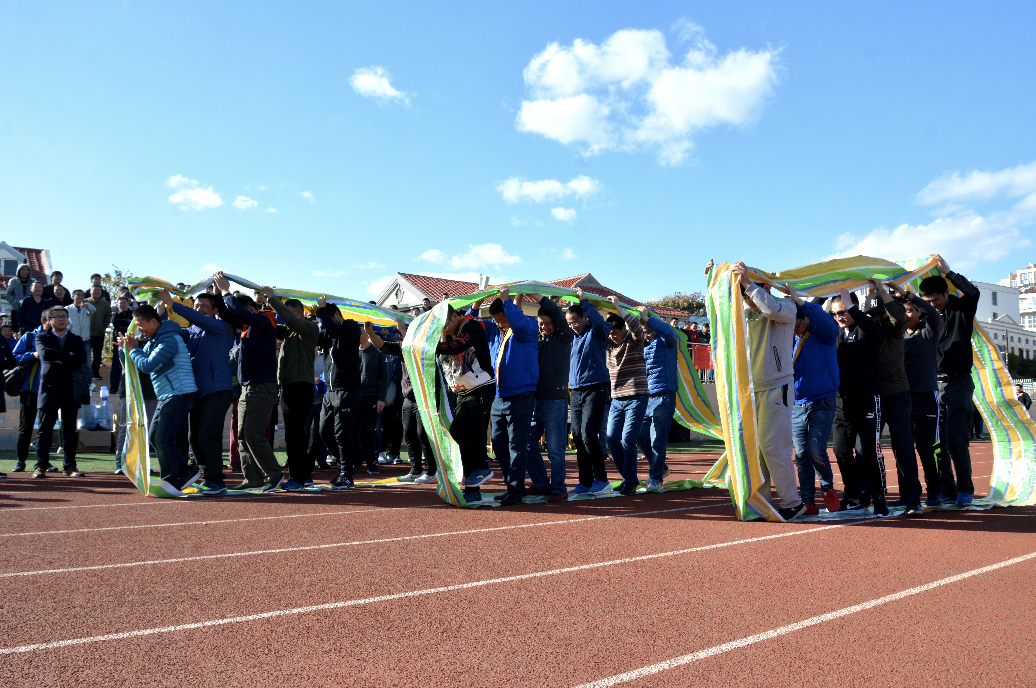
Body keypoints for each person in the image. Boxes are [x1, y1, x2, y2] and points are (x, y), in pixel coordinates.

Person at [722, 260, 807, 521]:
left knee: (774, 447)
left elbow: (770, 309)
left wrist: (748, 283)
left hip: (777, 385)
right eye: (743, 294)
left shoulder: (786, 307)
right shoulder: (744, 312)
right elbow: (722, 311)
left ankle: (793, 503)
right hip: (750, 389)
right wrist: (714, 282)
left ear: (765, 288)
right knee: (755, 449)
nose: (746, 299)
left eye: (748, 293)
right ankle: (763, 504)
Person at [156, 289, 234, 495]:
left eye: (204, 306)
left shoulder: (220, 326)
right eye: (197, 306)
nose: (199, 309)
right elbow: (169, 330)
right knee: (194, 438)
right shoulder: (191, 332)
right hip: (198, 391)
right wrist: (160, 313)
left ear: (215, 311)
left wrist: (173, 304)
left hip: (218, 390)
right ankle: (207, 478)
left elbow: (197, 318)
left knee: (205, 435)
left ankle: (217, 481)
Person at [919, 253, 981, 506]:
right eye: (928, 302)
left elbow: (973, 292)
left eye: (936, 300)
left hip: (958, 383)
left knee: (956, 439)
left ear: (946, 293)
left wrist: (948, 272)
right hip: (933, 385)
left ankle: (965, 489)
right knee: (938, 443)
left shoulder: (960, 309)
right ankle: (948, 489)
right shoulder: (926, 317)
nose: (933, 305)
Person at [216, 273, 283, 492]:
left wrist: (226, 291)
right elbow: (228, 314)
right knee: (243, 435)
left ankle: (274, 475)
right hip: (247, 388)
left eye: (243, 311)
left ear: (251, 310)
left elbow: (237, 312)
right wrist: (218, 293)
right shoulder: (248, 326)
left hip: (262, 387)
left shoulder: (265, 320)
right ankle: (253, 478)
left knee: (253, 434)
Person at [826, 287, 889, 515]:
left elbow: (874, 328)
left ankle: (879, 498)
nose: (839, 317)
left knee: (869, 452)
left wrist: (852, 307)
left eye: (843, 311)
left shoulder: (866, 329)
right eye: (835, 313)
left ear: (854, 309)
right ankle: (853, 495)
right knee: (841, 450)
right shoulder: (835, 334)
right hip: (842, 402)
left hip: (867, 399)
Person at [121, 304, 198, 490]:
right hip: (168, 395)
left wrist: (133, 350)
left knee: (163, 439)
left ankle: (172, 480)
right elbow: (140, 364)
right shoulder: (155, 340)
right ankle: (185, 472)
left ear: (154, 321)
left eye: (141, 325)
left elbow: (147, 365)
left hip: (179, 393)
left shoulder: (169, 339)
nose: (139, 330)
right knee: (155, 437)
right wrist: (126, 349)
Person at [866, 280, 924, 513]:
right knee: (868, 447)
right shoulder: (867, 326)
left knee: (903, 446)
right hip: (873, 394)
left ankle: (911, 498)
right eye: (871, 314)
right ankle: (871, 496)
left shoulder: (895, 326)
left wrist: (881, 291)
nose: (876, 318)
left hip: (897, 393)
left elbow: (900, 317)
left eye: (879, 314)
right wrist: (871, 296)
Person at [479, 288, 540, 505]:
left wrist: (507, 301)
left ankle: (515, 490)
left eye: (503, 319)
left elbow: (518, 324)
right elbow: (473, 326)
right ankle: (512, 486)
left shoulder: (529, 325)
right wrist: (475, 306)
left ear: (511, 312)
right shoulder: (495, 331)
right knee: (498, 443)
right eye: (496, 320)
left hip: (521, 393)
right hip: (498, 395)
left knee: (516, 444)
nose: (499, 324)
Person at [786, 286, 841, 514]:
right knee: (801, 455)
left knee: (816, 450)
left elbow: (826, 321)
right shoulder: (789, 340)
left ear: (806, 318)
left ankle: (828, 488)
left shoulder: (822, 334)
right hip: (797, 404)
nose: (793, 329)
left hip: (822, 400)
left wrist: (801, 302)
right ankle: (808, 501)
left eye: (796, 323)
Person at [888, 281, 944, 506]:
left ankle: (935, 493)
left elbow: (933, 312)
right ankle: (908, 494)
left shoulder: (929, 332)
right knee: (902, 448)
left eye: (910, 310)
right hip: (902, 397)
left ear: (918, 312)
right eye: (903, 311)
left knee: (927, 448)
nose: (906, 314)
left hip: (926, 396)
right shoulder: (895, 335)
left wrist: (907, 295)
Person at [436, 301, 496, 502]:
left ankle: (483, 466)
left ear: (455, 316)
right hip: (463, 392)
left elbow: (457, 346)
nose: (445, 328)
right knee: (469, 436)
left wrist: (432, 347)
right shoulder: (446, 334)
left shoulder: (471, 326)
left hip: (482, 388)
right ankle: (472, 490)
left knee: (458, 430)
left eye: (446, 323)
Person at [262, 287, 320, 491]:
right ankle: (304, 475)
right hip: (287, 387)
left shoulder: (310, 328)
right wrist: (264, 305)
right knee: (293, 435)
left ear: (300, 313)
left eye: (289, 313)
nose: (285, 317)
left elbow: (291, 320)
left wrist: (273, 299)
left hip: (301, 387)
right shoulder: (288, 331)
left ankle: (298, 478)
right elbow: (267, 324)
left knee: (296, 435)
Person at [367, 321, 438, 484]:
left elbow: (415, 347)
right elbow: (382, 345)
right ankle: (415, 470)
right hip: (408, 397)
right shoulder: (402, 346)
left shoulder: (425, 344)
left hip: (424, 397)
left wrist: (404, 330)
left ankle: (431, 471)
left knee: (423, 435)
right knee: (409, 435)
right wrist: (370, 332)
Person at [565, 289, 614, 495]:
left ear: (585, 317)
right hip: (576, 390)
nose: (573, 326)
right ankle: (585, 482)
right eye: (570, 323)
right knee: (577, 435)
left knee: (588, 435)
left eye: (576, 322)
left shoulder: (597, 332)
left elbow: (600, 322)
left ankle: (602, 480)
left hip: (596, 388)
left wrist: (584, 302)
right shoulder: (573, 338)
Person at [526, 294, 573, 501]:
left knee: (555, 449)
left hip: (555, 400)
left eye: (548, 323)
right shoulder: (535, 340)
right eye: (541, 323)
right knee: (527, 443)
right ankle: (541, 484)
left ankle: (559, 488)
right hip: (534, 400)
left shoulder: (563, 337)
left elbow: (558, 316)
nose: (544, 327)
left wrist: (540, 298)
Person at [33, 306, 88, 478]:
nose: (62, 319)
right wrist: (68, 354)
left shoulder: (76, 339)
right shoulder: (42, 337)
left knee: (69, 429)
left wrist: (61, 359)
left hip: (70, 388)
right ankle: (41, 466)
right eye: (57, 316)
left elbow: (82, 358)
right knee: (44, 429)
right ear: (49, 320)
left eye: (64, 316)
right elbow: (45, 354)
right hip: (49, 389)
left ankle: (69, 466)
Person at [315, 294, 363, 489]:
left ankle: (346, 474)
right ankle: (351, 463)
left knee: (342, 433)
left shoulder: (351, 326)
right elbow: (317, 336)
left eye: (325, 318)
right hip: (330, 391)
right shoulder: (328, 331)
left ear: (335, 315)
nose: (323, 323)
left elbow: (335, 331)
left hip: (347, 389)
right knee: (324, 431)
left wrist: (322, 310)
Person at [602, 296, 649, 496]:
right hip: (617, 399)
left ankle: (631, 481)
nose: (612, 336)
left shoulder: (634, 340)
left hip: (636, 397)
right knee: (612, 439)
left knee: (628, 439)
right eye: (610, 333)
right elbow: (597, 328)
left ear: (624, 329)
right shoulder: (608, 345)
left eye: (615, 332)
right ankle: (627, 478)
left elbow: (637, 327)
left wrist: (618, 309)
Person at [636, 305, 679, 492]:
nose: (647, 335)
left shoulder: (667, 342)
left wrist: (648, 319)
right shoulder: (644, 345)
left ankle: (656, 478)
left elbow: (670, 333)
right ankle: (661, 468)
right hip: (647, 397)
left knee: (657, 439)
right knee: (638, 434)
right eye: (644, 332)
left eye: (649, 331)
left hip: (664, 397)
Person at [10, 312, 46, 473]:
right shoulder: (29, 337)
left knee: (46, 428)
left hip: (50, 390)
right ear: (45, 320)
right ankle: (21, 461)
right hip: (30, 389)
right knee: (25, 427)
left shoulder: (59, 338)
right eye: (55, 317)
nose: (60, 320)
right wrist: (32, 355)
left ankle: (43, 462)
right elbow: (14, 357)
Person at [357, 323, 390, 475]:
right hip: (354, 397)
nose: (360, 335)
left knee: (369, 431)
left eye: (362, 332)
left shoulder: (377, 352)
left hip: (371, 396)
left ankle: (371, 462)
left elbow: (385, 377)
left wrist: (381, 398)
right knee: (354, 431)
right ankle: (356, 462)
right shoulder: (351, 351)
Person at [85, 285, 111, 379]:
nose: (96, 292)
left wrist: (103, 327)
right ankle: (85, 373)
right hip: (86, 333)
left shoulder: (105, 304)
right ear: (90, 292)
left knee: (97, 355)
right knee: (86, 355)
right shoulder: (85, 302)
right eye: (94, 290)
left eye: (98, 291)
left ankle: (95, 372)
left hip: (99, 333)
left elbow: (108, 316)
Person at [109, 295, 134, 394]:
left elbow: (133, 324)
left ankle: (130, 388)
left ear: (128, 304)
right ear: (117, 305)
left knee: (131, 364)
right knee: (116, 365)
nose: (122, 305)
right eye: (120, 303)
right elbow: (115, 322)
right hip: (118, 342)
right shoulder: (115, 314)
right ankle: (113, 388)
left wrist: (123, 324)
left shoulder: (132, 314)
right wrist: (127, 323)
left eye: (124, 303)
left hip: (130, 342)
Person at [5, 263, 35, 332]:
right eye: (22, 270)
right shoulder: (13, 281)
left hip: (29, 310)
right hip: (16, 309)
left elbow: (38, 293)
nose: (24, 272)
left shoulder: (33, 281)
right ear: (18, 271)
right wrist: (15, 303)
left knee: (29, 330)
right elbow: (8, 294)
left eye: (26, 270)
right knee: (15, 330)